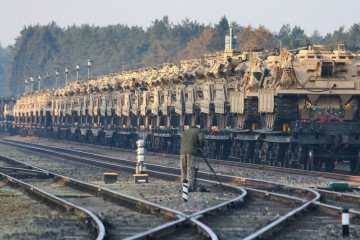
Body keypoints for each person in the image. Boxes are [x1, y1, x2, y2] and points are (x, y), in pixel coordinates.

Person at [180, 125, 205, 192]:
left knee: (183, 169)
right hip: (191, 153)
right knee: (190, 169)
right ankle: (189, 187)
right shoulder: (198, 131)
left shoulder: (186, 131)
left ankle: (183, 186)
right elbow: (202, 139)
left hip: (182, 152)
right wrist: (201, 147)